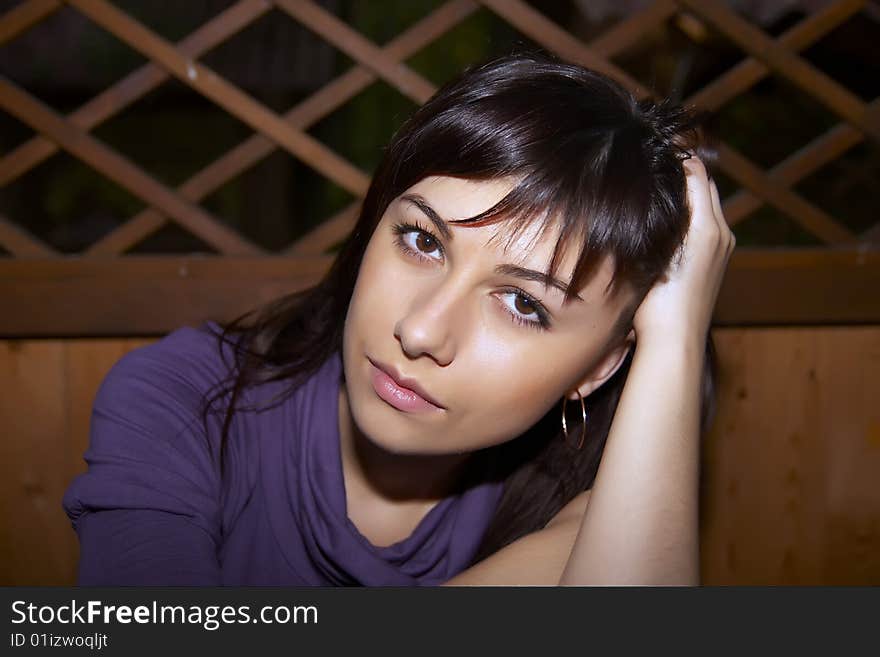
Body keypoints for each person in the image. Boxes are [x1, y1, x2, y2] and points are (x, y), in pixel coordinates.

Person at [62, 52, 735, 586]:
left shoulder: (604, 513)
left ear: (598, 366)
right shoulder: (184, 402)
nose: (419, 331)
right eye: (424, 241)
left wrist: (672, 339)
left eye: (524, 303)